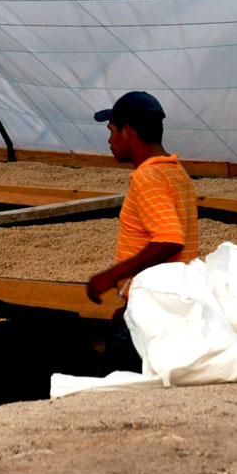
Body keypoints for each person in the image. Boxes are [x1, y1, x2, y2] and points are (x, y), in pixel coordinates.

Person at [84, 91, 199, 337]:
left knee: (120, 372)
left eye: (111, 130)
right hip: (174, 304)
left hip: (152, 311)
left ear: (127, 131)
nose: (109, 141)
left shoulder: (148, 177)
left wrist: (108, 277)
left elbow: (169, 239)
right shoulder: (176, 172)